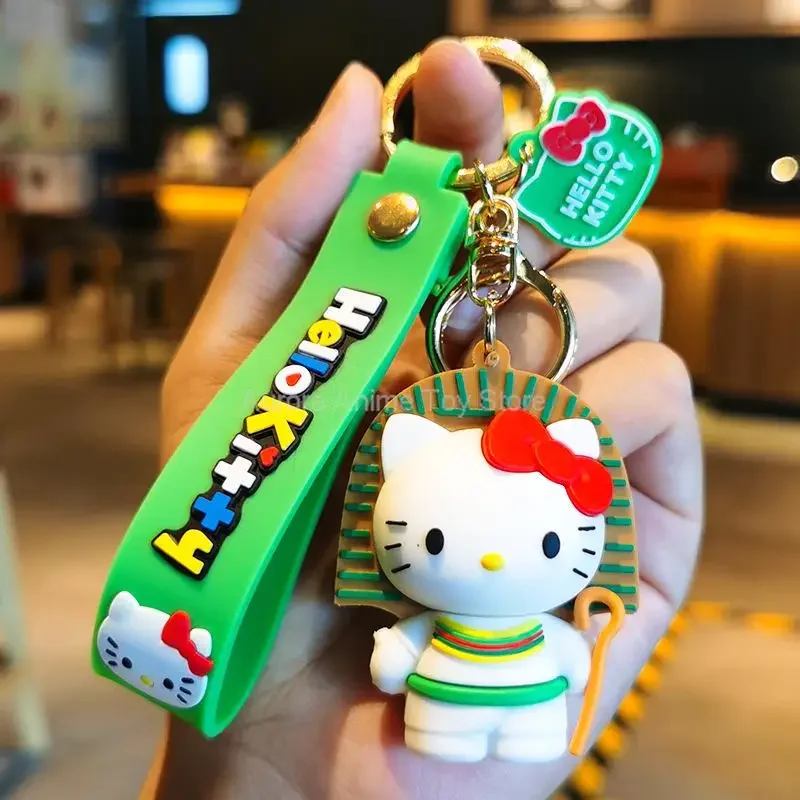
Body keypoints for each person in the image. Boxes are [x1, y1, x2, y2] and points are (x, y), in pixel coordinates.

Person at [143, 39, 703, 800]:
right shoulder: (393, 467)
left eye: (550, 544)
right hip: (416, 702)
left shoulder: (543, 608)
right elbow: (417, 652)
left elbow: (576, 659)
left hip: (523, 709)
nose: (499, 562)